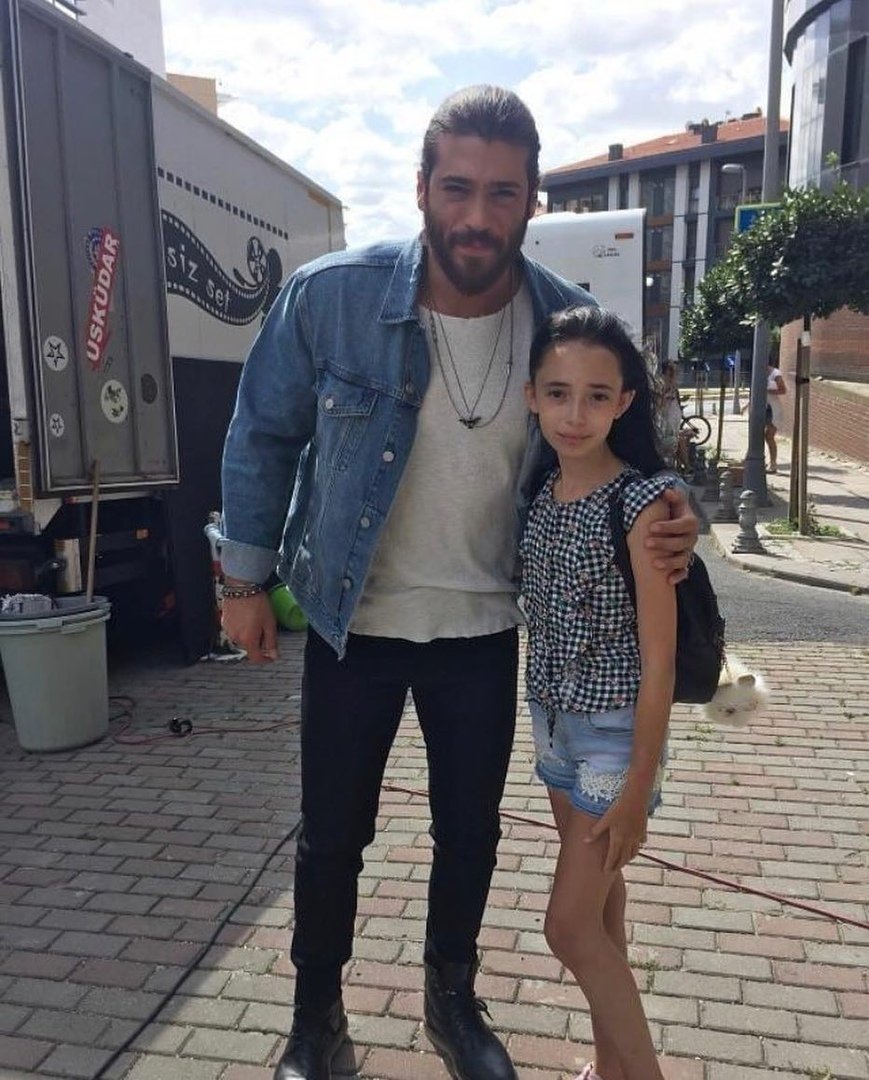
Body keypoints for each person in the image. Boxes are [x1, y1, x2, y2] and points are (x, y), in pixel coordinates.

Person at [219, 85, 697, 1080]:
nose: (476, 215)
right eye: (457, 188)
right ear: (422, 188)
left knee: (468, 833)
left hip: (483, 630)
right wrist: (244, 579)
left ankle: (451, 999)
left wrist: (676, 510)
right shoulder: (333, 297)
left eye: (500, 193)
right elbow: (262, 432)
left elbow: (641, 440)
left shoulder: (563, 317)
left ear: (530, 200)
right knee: (331, 836)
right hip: (354, 623)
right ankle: (315, 1020)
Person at [521, 306, 677, 1080]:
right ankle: (612, 1066)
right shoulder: (539, 492)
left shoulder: (642, 505)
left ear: (623, 403)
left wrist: (639, 785)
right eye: (557, 393)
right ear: (531, 397)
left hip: (614, 735)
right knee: (602, 905)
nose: (573, 414)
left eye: (595, 395)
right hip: (553, 723)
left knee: (567, 926)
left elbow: (659, 658)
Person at [657, 360, 684, 469]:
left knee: (676, 440)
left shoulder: (673, 386)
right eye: (671, 371)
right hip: (666, 418)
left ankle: (679, 465)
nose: (674, 374)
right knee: (672, 441)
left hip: (673, 416)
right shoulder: (662, 384)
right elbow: (660, 404)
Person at [765, 361, 787, 473]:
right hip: (763, 408)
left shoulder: (775, 373)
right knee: (758, 435)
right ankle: (761, 460)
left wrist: (767, 390)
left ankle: (773, 464)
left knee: (769, 435)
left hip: (773, 409)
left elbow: (783, 390)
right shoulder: (758, 373)